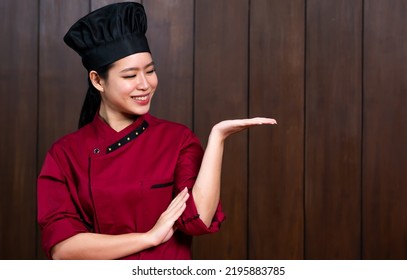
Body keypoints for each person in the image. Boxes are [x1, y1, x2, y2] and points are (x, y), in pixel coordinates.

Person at [37, 1, 276, 260]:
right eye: (130, 76)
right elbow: (63, 250)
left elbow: (199, 219)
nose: (145, 84)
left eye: (150, 71)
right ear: (97, 80)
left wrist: (218, 138)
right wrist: (148, 237)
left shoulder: (177, 139)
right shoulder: (64, 153)